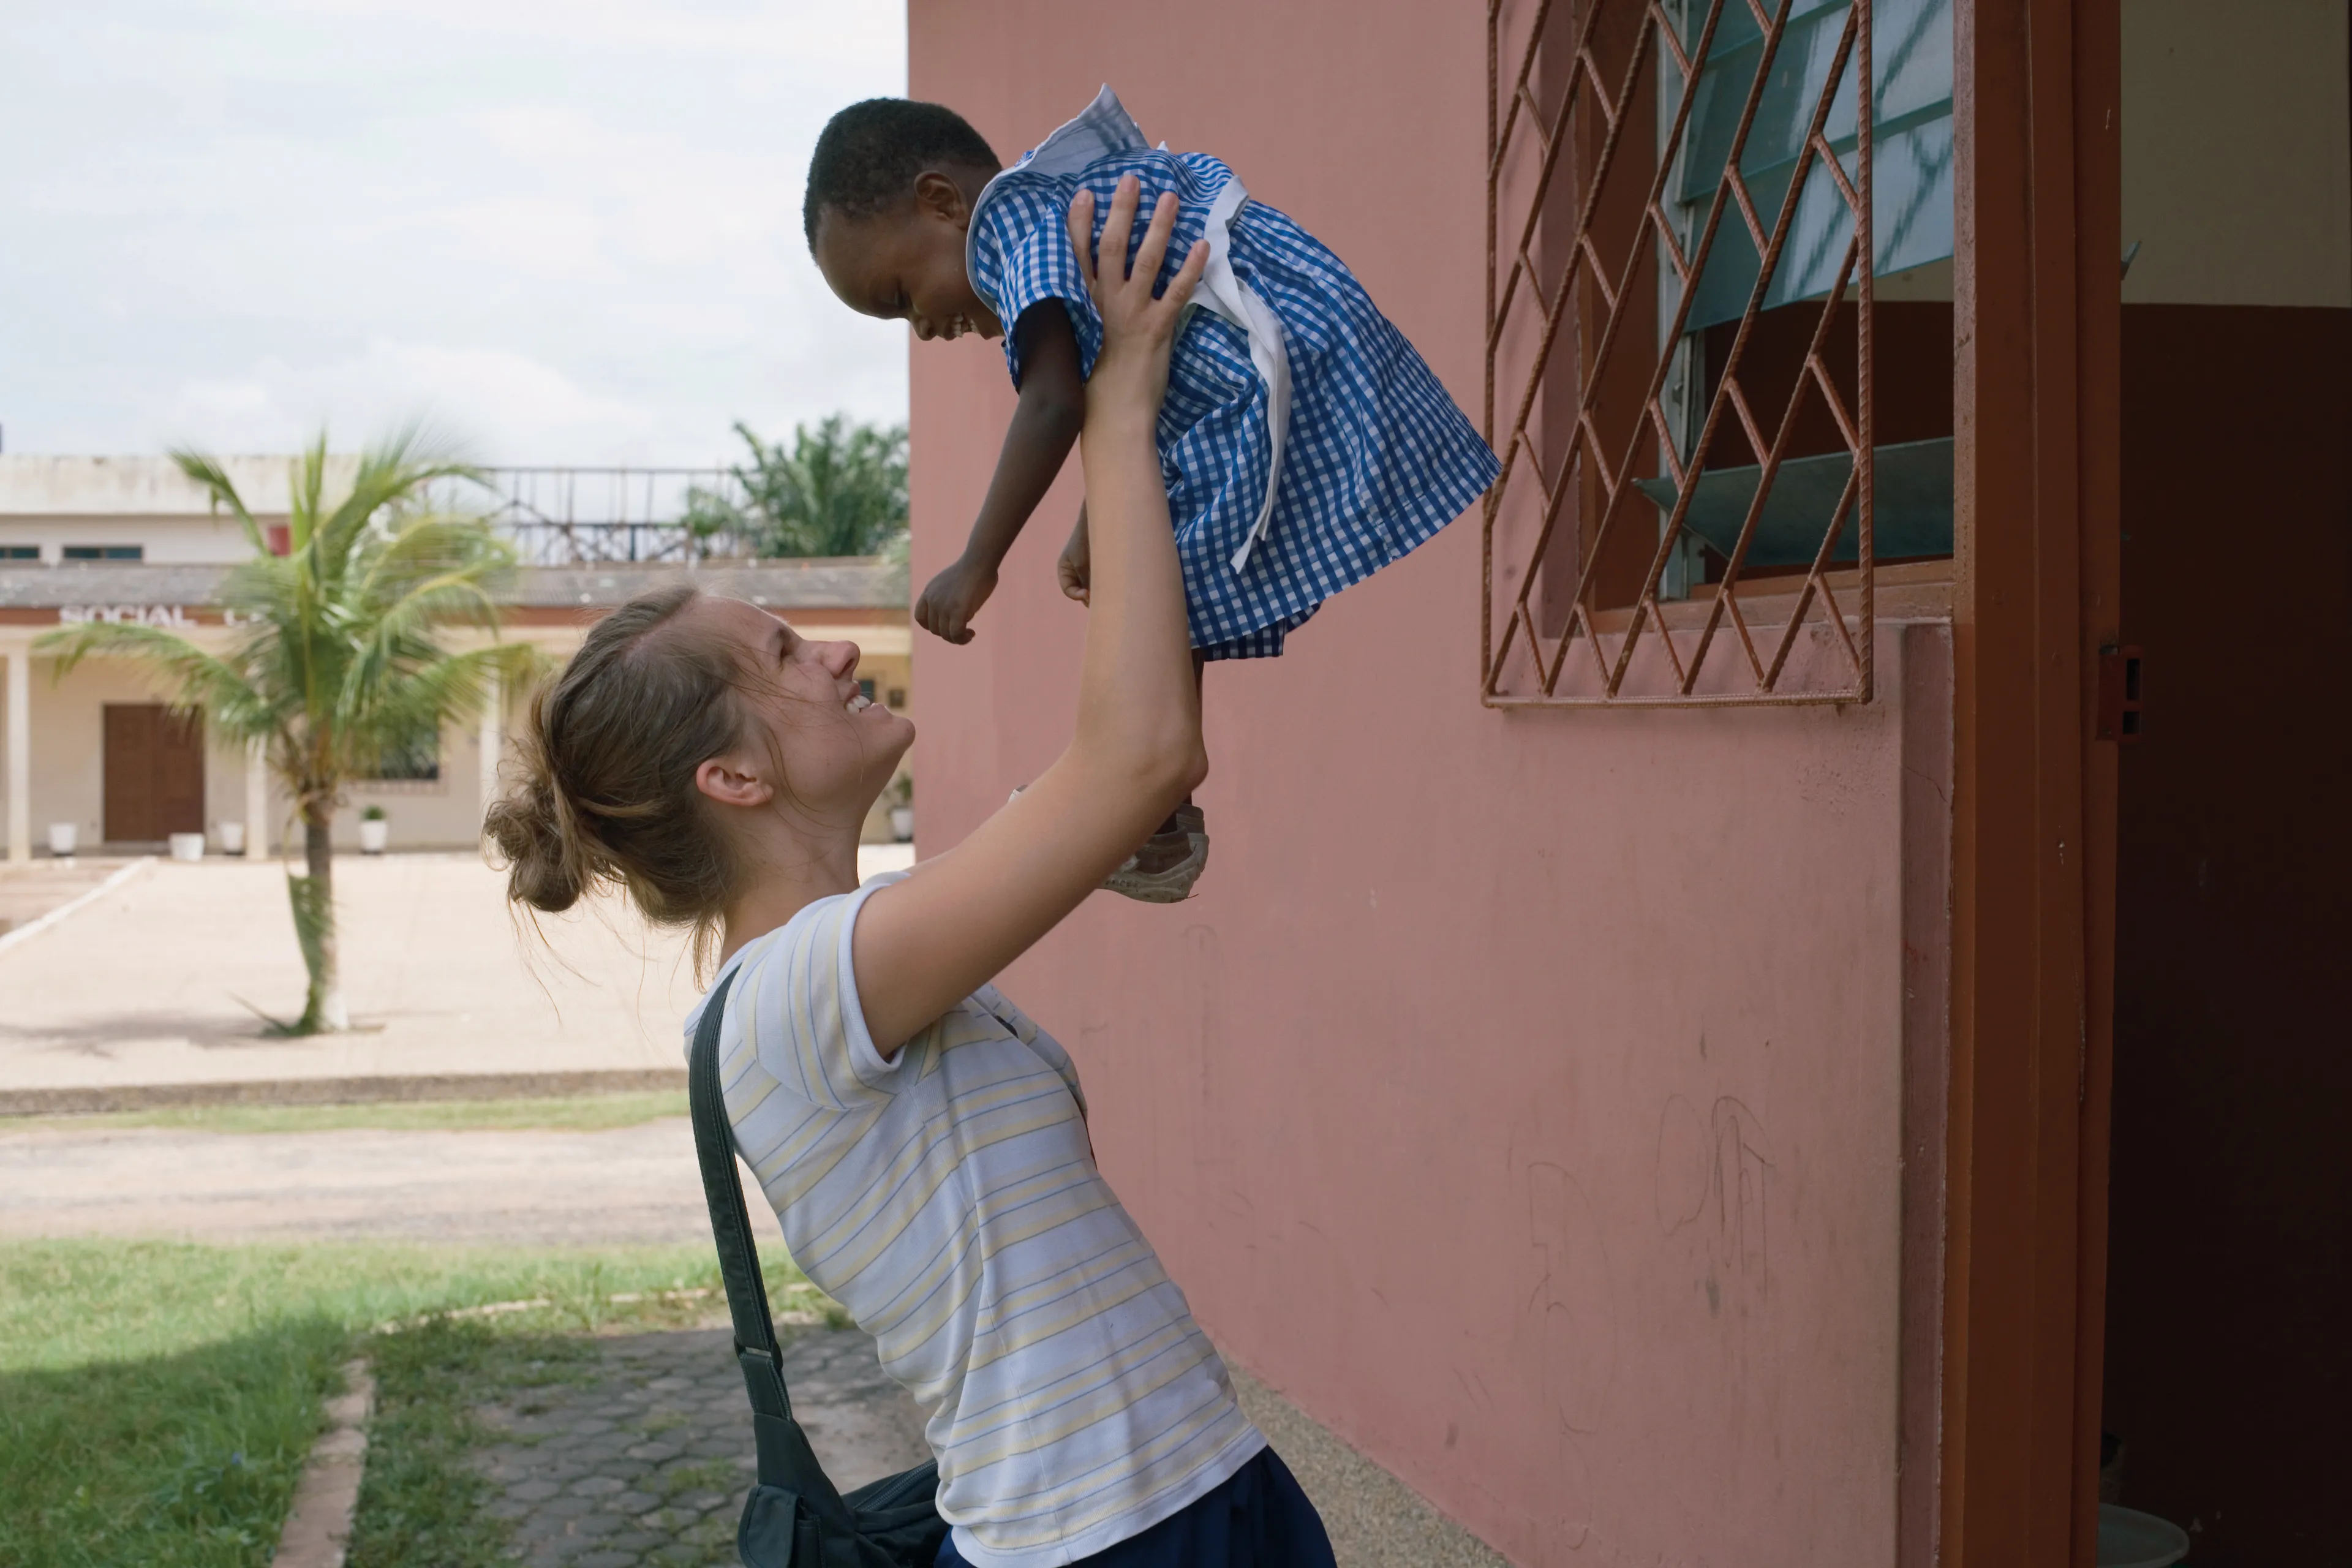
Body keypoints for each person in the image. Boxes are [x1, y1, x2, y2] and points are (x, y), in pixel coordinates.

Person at [488, 179, 1335, 1568]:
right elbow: (1135, 760)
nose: (830, 649)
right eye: (777, 653)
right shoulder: (796, 997)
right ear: (735, 778)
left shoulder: (871, 942)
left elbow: (1144, 803)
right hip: (1109, 1537)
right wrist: (1117, 399)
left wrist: (1145, 488)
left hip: (1183, 1489)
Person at [804, 87, 1499, 901]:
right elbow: (1121, 390)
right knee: (1152, 564)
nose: (921, 328)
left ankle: (1147, 805)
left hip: (1266, 355)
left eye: (899, 297)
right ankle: (1157, 809)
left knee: (1160, 583)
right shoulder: (1054, 212)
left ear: (940, 200)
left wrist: (976, 562)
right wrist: (1093, 522)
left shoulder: (1008, 229)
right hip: (1282, 335)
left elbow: (1057, 401)